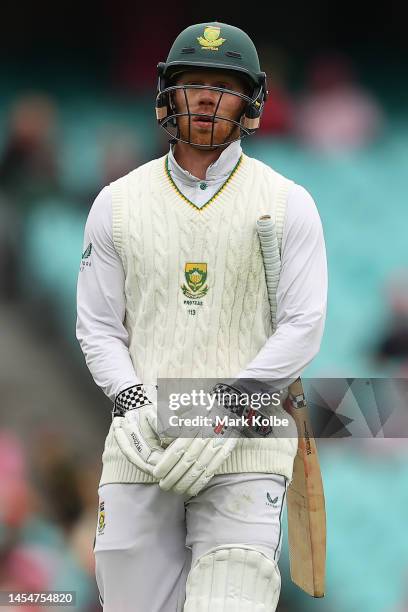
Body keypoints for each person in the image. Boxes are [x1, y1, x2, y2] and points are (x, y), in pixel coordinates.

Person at [76, 21, 328, 611]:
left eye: (224, 85)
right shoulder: (116, 204)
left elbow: (303, 325)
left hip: (248, 446)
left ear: (251, 101)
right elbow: (99, 327)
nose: (208, 97)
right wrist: (132, 401)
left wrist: (230, 407)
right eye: (194, 83)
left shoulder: (289, 203)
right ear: (168, 95)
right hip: (142, 446)